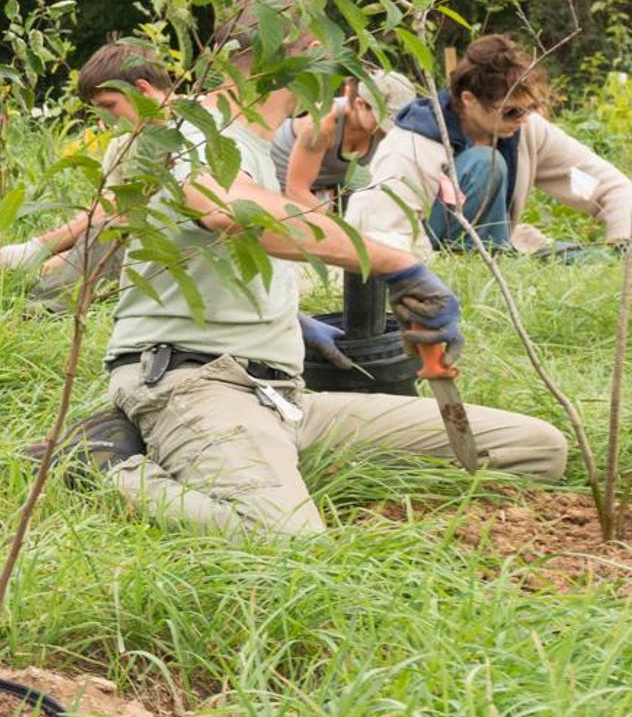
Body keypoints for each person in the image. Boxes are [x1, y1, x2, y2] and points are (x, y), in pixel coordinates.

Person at [62, 40, 567, 536]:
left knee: (539, 450)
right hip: (197, 382)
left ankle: (263, 463)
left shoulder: (252, 141)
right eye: (328, 46)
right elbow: (231, 211)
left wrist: (291, 324)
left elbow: (233, 253)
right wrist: (397, 264)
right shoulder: (183, 132)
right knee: (281, 534)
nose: (341, 69)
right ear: (296, 51)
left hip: (285, 395)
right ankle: (105, 464)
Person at [347, 32, 632, 257]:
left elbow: (606, 187)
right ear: (469, 100)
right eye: (511, 111)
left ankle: (499, 256)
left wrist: (622, 244)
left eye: (532, 108)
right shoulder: (412, 142)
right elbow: (381, 232)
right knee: (485, 161)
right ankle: (482, 260)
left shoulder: (526, 129)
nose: (523, 119)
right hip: (420, 254)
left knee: (594, 258)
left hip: (502, 246)